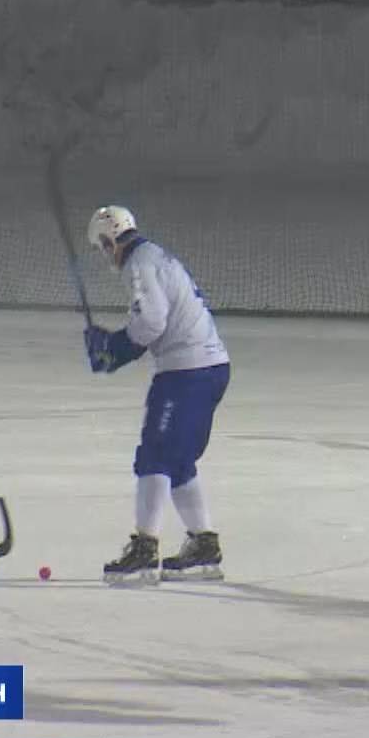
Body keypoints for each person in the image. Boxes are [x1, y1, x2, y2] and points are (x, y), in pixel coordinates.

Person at [83, 206, 232, 584]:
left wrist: (114, 348)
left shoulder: (140, 264)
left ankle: (145, 551)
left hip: (187, 372)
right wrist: (115, 346)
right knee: (177, 461)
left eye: (102, 248)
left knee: (154, 455)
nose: (105, 256)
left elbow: (151, 322)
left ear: (108, 240)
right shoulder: (154, 256)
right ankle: (203, 545)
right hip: (208, 368)